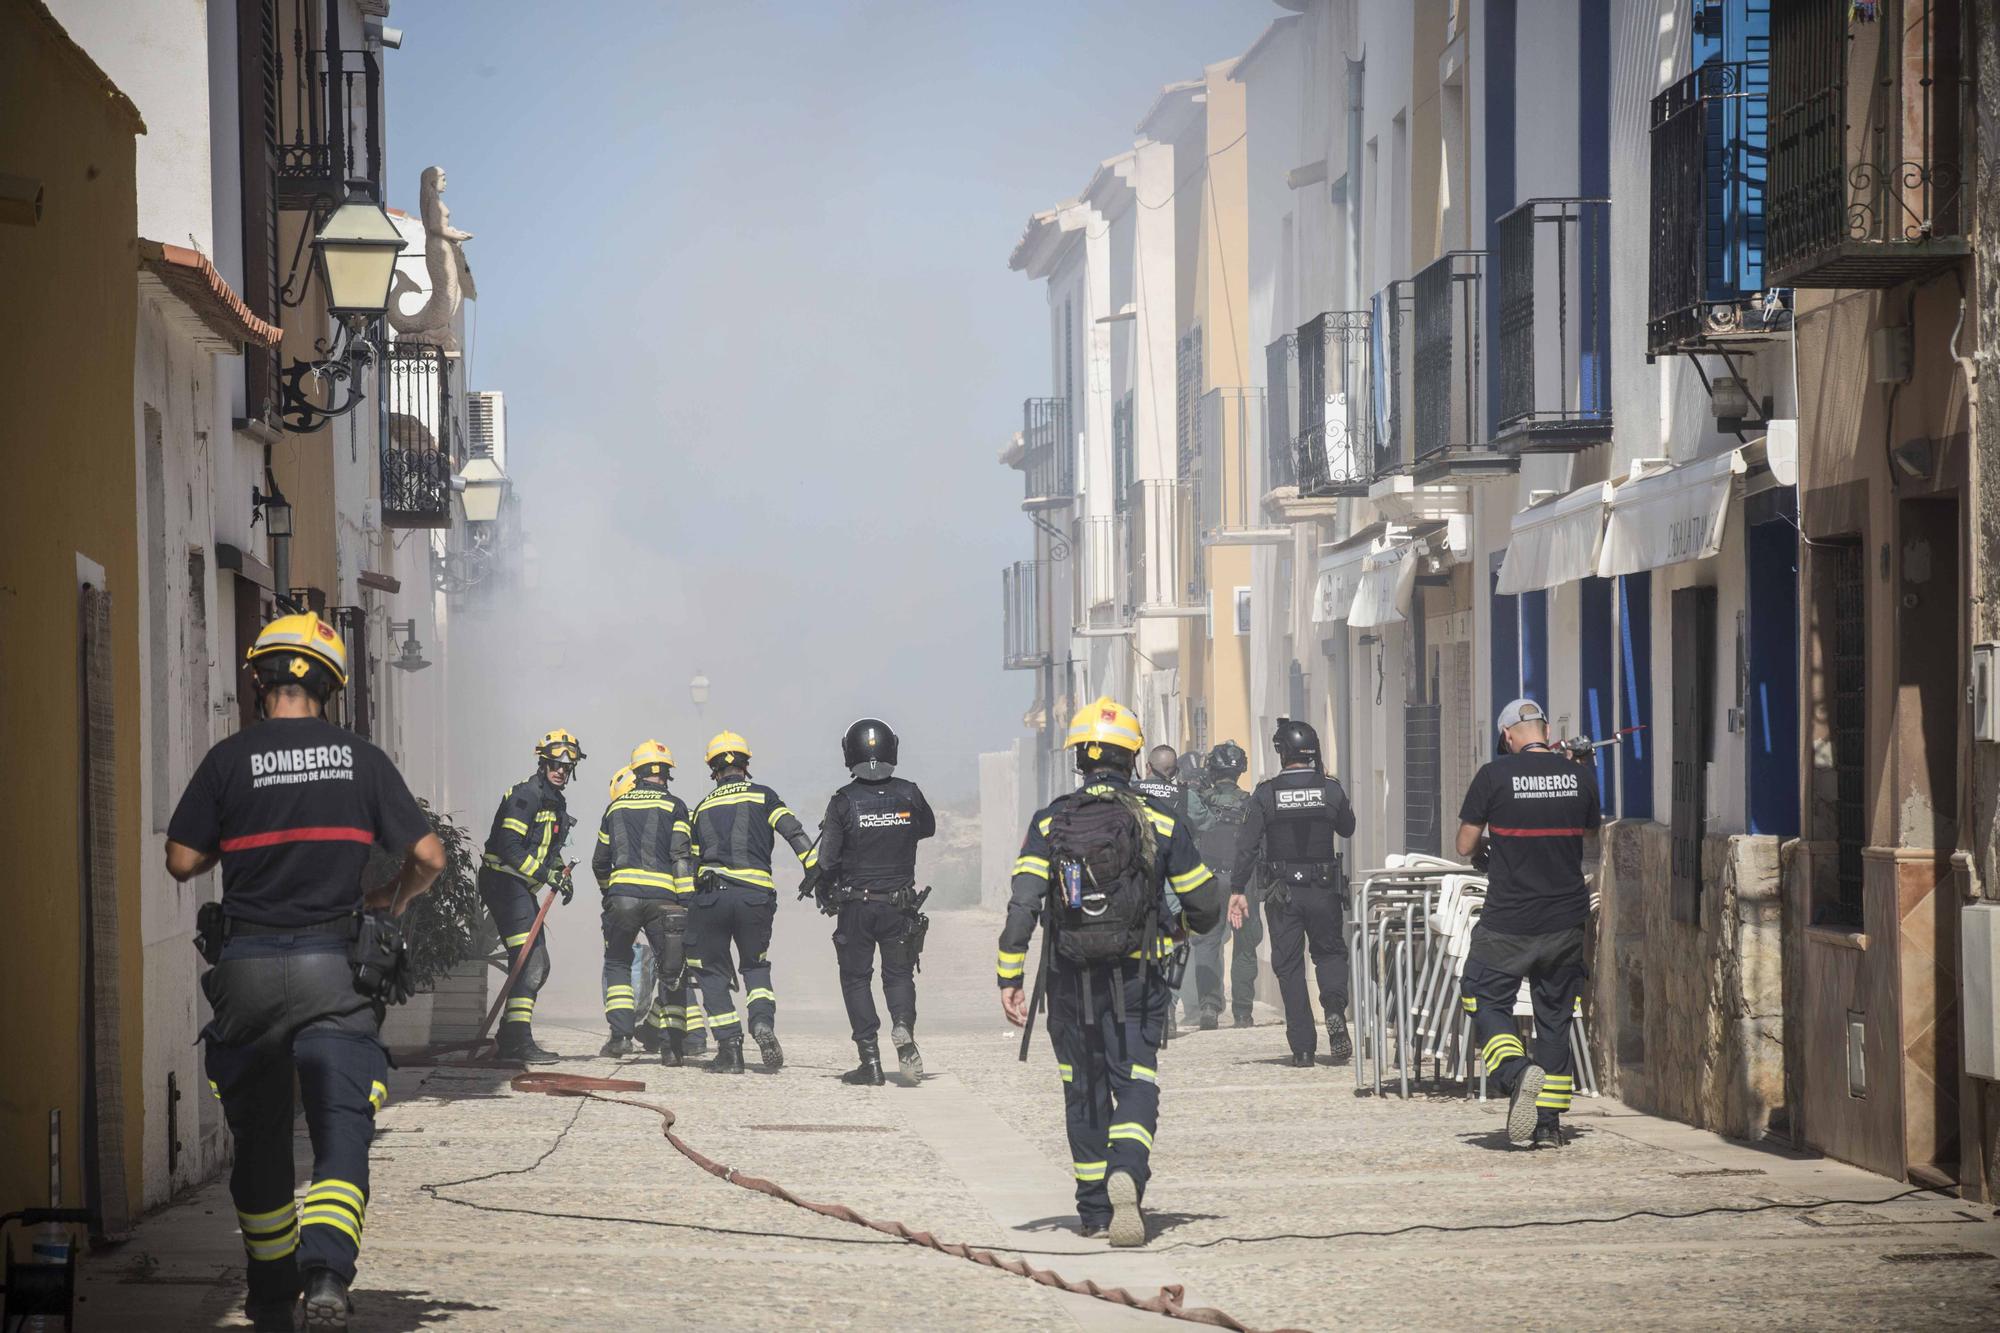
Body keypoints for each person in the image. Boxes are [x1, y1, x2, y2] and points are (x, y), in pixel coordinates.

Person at [165, 613, 445, 1331]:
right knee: (341, 1124)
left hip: (248, 969)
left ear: (259, 679)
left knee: (258, 1138)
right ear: (331, 686)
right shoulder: (362, 759)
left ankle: (266, 1295)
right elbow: (431, 857)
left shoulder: (230, 759)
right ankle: (324, 1274)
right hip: (335, 971)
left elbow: (182, 860)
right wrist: (389, 897)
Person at [998, 697, 1222, 1247]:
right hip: (1135, 975)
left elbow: (1023, 902)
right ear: (1132, 758)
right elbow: (1206, 905)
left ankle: (1095, 1211)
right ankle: (1128, 1170)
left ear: (1080, 757)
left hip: (1068, 978)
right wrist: (1178, 927)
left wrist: (1011, 975)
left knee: (1083, 1088)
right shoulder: (1160, 821)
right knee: (1136, 1079)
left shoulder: (1050, 820)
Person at [1455, 698, 1601, 1147]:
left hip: (1509, 921)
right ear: (1542, 729)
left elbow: (1464, 845)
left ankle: (1517, 1073)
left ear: (1507, 736)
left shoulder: (1494, 776)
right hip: (1565, 920)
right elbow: (1590, 836)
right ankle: (1549, 1126)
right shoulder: (1579, 775)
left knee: (1480, 994)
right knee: (1554, 1017)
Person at [813, 718, 936, 1086]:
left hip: (856, 907)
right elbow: (926, 828)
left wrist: (824, 888)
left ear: (848, 752)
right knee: (898, 975)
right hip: (899, 905)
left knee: (856, 979)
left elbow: (827, 861)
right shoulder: (910, 793)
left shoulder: (842, 802)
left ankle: (871, 1062)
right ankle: (902, 1026)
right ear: (891, 748)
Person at [1229, 718, 1356, 1067]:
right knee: (1329, 954)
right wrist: (1330, 787)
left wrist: (1238, 888)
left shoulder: (1266, 793)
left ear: (1282, 752)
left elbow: (1246, 846)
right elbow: (1348, 828)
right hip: (1324, 889)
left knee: (1288, 966)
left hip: (1281, 892)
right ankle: (1333, 1008)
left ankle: (1302, 1047)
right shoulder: (1330, 789)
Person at [689, 731, 818, 1073]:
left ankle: (730, 1050)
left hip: (711, 898)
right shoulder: (765, 796)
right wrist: (815, 869)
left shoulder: (701, 807)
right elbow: (793, 831)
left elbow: (689, 859)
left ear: (713, 769)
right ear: (745, 765)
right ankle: (762, 1023)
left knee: (713, 972)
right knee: (755, 966)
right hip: (754, 898)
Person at [479, 729, 584, 1064]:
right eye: (555, 764)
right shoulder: (526, 796)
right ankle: (517, 1040)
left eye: (567, 768)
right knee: (532, 961)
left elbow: (547, 850)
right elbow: (509, 847)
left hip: (518, 886)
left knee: (534, 962)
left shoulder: (556, 802)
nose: (560, 771)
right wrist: (545, 874)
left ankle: (511, 1035)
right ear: (543, 762)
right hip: (503, 882)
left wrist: (560, 874)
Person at [592, 741, 697, 1063]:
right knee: (672, 969)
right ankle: (672, 1048)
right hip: (664, 900)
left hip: (622, 896)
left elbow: (600, 861)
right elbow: (681, 856)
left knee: (618, 962)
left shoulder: (615, 808)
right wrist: (686, 900)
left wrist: (610, 893)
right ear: (666, 773)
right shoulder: (675, 806)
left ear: (635, 773)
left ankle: (620, 1037)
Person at [1182, 741, 1260, 1029]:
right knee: (1245, 944)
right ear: (1241, 770)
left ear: (1212, 770)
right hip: (1244, 882)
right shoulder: (1252, 802)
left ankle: (1209, 1007)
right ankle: (1243, 1012)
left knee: (1206, 943)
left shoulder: (1198, 801)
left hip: (1208, 880)